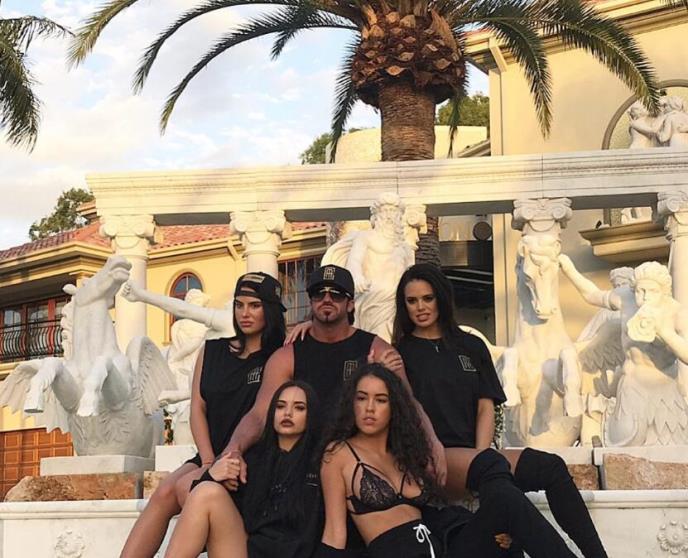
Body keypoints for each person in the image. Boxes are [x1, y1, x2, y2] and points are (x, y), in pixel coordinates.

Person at [393, 263, 608, 558]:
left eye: (427, 298)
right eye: (412, 300)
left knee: (551, 467)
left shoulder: (471, 345)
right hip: (435, 457)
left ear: (441, 298)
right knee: (502, 491)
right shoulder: (401, 353)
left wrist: (482, 455)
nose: (420, 307)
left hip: (477, 455)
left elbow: (485, 406)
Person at [318, 364, 578, 558]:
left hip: (443, 550)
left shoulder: (404, 454)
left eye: (381, 400)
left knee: (505, 504)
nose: (369, 408)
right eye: (361, 398)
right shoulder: (339, 454)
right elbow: (334, 534)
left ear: (394, 407)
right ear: (351, 403)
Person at [225, 264, 446, 485]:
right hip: (300, 467)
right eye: (319, 294)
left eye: (337, 294)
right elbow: (260, 414)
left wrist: (432, 443)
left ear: (350, 304)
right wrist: (234, 449)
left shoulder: (377, 349)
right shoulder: (287, 355)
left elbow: (409, 405)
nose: (327, 299)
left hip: (359, 466)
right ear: (311, 301)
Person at [120, 272, 287, 558]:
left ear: (269, 310)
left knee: (186, 489)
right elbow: (198, 407)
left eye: (254, 306)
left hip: (249, 457)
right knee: (163, 493)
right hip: (210, 452)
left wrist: (219, 463)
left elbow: (261, 416)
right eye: (239, 305)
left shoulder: (279, 357)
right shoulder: (212, 350)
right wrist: (208, 461)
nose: (245, 313)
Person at [164, 381, 322, 558]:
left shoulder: (321, 464)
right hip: (249, 552)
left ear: (311, 415)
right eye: (280, 406)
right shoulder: (253, 460)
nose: (288, 413)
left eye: (299, 408)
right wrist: (211, 475)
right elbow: (198, 508)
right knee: (206, 491)